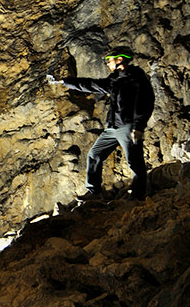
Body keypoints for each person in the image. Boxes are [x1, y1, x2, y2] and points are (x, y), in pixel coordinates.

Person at [48, 47, 155, 201]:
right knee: (94, 155)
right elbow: (91, 84)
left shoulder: (137, 78)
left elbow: (147, 102)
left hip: (128, 127)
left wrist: (139, 126)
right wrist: (65, 81)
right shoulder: (114, 80)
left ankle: (138, 197)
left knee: (135, 162)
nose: (107, 64)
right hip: (112, 128)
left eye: (109, 60)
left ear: (119, 60)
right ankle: (94, 192)